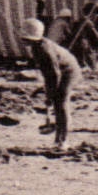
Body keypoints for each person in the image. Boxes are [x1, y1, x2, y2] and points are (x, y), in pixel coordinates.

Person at [21, 18, 81, 150]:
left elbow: (55, 75)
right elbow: (47, 73)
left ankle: (63, 140)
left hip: (69, 72)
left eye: (25, 37)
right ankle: (58, 138)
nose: (22, 39)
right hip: (59, 72)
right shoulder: (36, 47)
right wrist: (48, 91)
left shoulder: (45, 50)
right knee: (56, 101)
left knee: (61, 102)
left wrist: (49, 95)